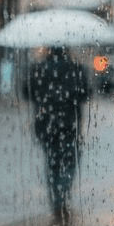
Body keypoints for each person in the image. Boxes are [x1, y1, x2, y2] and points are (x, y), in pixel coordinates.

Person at [25, 46, 92, 217]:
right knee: (69, 161)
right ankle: (63, 195)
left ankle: (56, 199)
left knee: (52, 161)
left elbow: (27, 93)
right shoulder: (76, 68)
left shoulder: (38, 68)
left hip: (45, 124)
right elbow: (85, 93)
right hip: (69, 124)